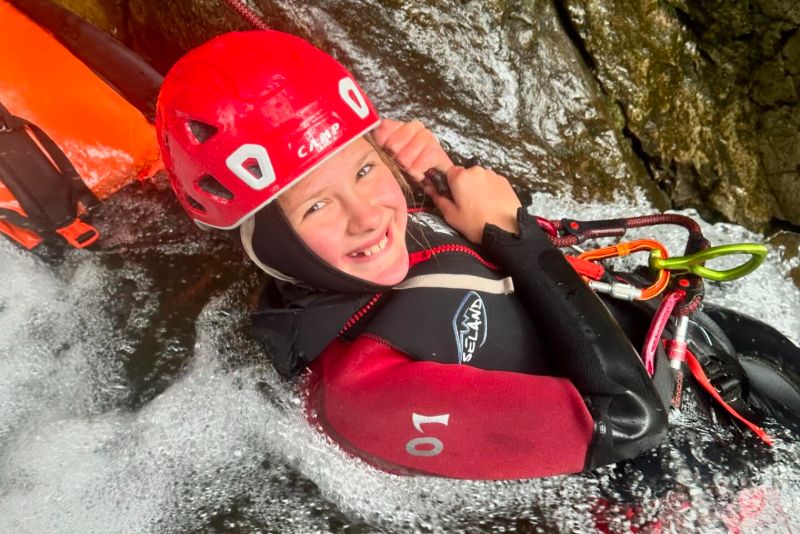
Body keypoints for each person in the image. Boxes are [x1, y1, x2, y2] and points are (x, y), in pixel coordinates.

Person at [156, 30, 797, 479]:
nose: (368, 214)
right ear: (267, 242)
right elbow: (631, 425)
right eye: (314, 207)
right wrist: (514, 234)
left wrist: (440, 179)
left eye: (362, 171)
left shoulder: (396, 219)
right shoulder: (361, 395)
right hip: (702, 475)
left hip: (705, 342)